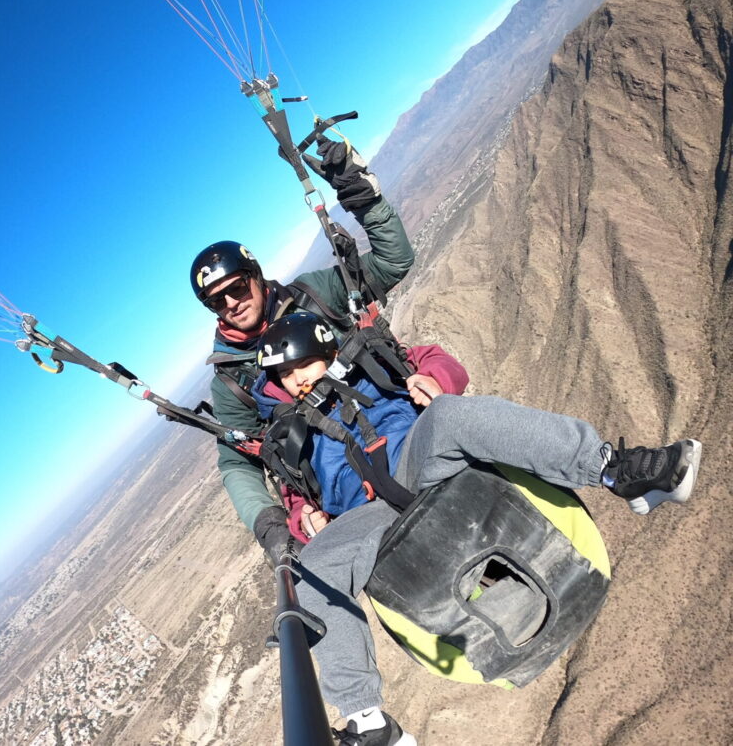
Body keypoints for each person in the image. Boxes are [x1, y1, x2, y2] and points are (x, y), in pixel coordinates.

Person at [252, 311, 703, 746]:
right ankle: (367, 719)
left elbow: (442, 365)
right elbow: (298, 495)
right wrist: (302, 520)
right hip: (366, 513)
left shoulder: (375, 358)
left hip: (421, 460)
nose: (296, 379)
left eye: (301, 365)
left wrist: (436, 382)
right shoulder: (291, 435)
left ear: (326, 349)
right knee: (307, 573)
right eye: (285, 376)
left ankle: (618, 470)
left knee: (450, 415)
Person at [191, 137, 414, 574]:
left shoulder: (318, 294)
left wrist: (363, 199)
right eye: (218, 301)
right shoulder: (232, 381)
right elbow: (239, 462)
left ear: (254, 276)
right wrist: (273, 525)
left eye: (237, 287)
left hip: (398, 426)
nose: (232, 302)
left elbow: (393, 263)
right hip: (343, 490)